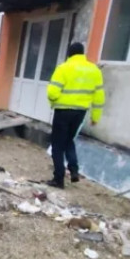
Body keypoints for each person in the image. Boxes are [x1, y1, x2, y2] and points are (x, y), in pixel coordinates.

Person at [46, 42, 105, 189]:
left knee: (57, 145)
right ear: (82, 53)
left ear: (69, 54)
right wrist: (95, 117)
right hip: (80, 112)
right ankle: (73, 170)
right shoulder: (94, 70)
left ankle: (58, 179)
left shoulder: (63, 68)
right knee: (69, 140)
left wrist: (53, 102)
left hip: (63, 111)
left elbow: (52, 92)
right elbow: (99, 97)